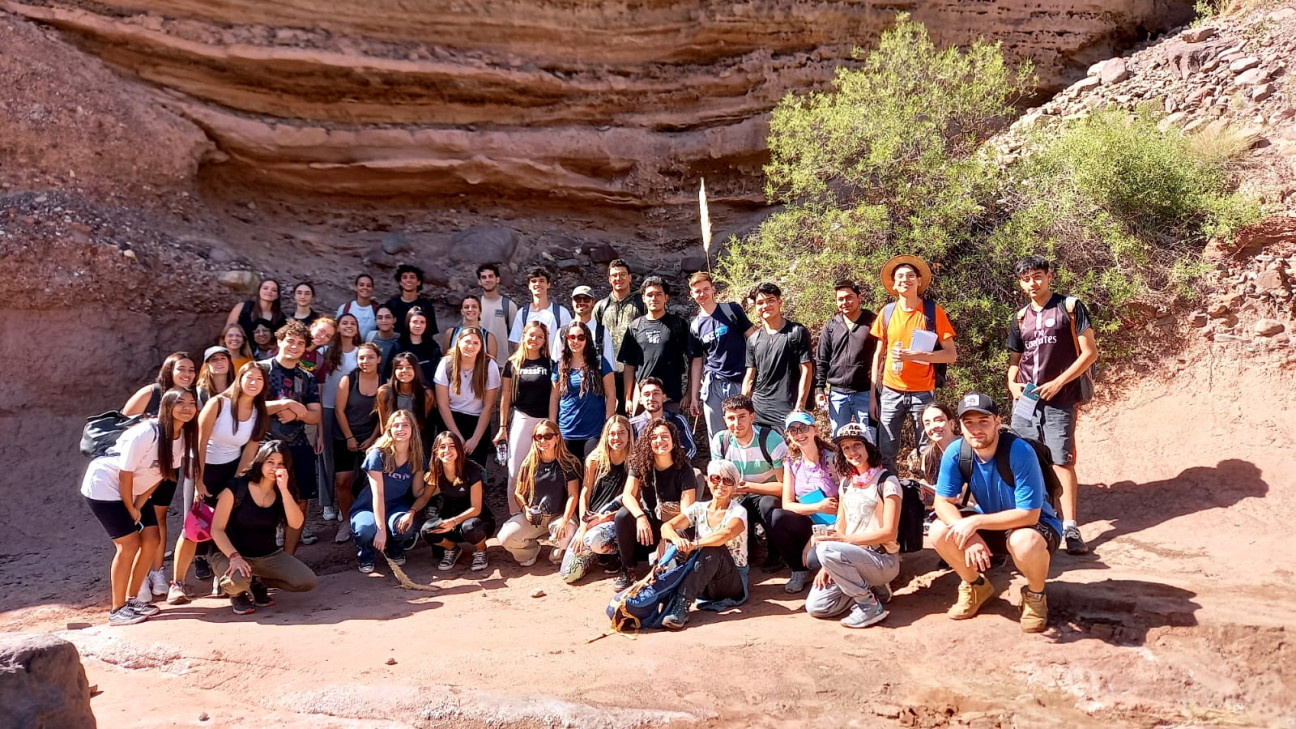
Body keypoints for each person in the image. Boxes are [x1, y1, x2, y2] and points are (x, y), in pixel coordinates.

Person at [931, 393, 1062, 633]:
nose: (976, 429)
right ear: (959, 425)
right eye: (968, 423)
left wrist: (975, 523)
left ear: (997, 422)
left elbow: (1029, 515)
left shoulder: (1019, 451)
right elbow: (942, 502)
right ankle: (975, 585)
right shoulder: (956, 452)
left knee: (1023, 541)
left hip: (1035, 525)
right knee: (940, 530)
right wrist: (968, 535)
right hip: (993, 522)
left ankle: (1035, 595)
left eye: (983, 421)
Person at [1006, 255, 1099, 555]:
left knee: (1062, 459)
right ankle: (1034, 519)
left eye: (1037, 276)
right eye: (1026, 278)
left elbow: (1090, 353)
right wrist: (1012, 384)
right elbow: (1014, 362)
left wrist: (1060, 382)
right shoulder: (1020, 317)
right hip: (1027, 399)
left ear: (1049, 276)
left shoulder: (1069, 307)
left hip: (1061, 397)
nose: (1032, 282)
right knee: (1023, 457)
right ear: (1020, 283)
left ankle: (1070, 526)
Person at [81, 388, 198, 625]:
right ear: (167, 406)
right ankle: (117, 609)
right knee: (129, 544)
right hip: (105, 485)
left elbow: (160, 474)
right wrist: (131, 508)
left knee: (152, 539)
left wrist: (140, 503)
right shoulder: (148, 431)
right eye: (180, 402)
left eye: (192, 403)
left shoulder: (183, 437)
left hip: (135, 491)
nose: (187, 407)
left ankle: (133, 599)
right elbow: (125, 473)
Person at [168, 362, 268, 604]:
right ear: (240, 378)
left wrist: (236, 483)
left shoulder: (259, 411)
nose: (254, 383)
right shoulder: (218, 403)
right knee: (193, 527)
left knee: (226, 524)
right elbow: (199, 443)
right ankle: (177, 584)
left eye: (259, 379)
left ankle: (221, 578)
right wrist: (199, 481)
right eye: (249, 377)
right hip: (203, 468)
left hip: (231, 472)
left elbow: (250, 451)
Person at [804, 423, 902, 629]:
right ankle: (873, 590)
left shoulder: (887, 481)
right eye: (846, 448)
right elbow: (841, 526)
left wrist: (841, 544)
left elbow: (889, 532)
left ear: (869, 447)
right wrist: (827, 564)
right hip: (851, 557)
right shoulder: (846, 484)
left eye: (857, 445)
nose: (852, 452)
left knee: (827, 548)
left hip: (881, 558)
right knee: (817, 606)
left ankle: (869, 606)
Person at [869, 255, 958, 474]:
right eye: (900, 276)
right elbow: (878, 355)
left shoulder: (932, 312)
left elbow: (950, 355)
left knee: (928, 448)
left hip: (922, 393)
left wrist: (916, 355)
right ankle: (890, 492)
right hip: (890, 391)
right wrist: (873, 395)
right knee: (886, 449)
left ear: (919, 281)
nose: (905, 280)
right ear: (894, 284)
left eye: (910, 276)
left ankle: (931, 494)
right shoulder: (887, 313)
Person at [208, 441, 318, 614]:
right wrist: (234, 557)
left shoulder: (284, 491)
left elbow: (296, 524)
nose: (275, 468)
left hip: (267, 555)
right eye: (270, 462)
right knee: (237, 583)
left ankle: (257, 581)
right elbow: (216, 529)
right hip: (230, 554)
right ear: (260, 462)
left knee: (306, 581)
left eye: (280, 464)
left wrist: (284, 490)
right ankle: (237, 593)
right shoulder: (236, 487)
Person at [121, 352, 197, 600]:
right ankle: (139, 575)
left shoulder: (190, 399)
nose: (186, 374)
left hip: (169, 466)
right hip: (141, 466)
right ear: (169, 370)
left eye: (191, 370)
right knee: (139, 516)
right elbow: (123, 422)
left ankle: (156, 571)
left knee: (160, 516)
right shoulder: (152, 392)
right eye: (181, 369)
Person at [656, 458, 750, 630]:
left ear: (734, 487)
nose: (720, 484)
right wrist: (678, 540)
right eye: (715, 478)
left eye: (727, 480)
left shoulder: (738, 511)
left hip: (730, 581)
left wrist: (694, 545)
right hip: (702, 575)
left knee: (712, 548)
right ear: (708, 481)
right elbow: (666, 527)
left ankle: (681, 605)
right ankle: (667, 595)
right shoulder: (699, 508)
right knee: (677, 538)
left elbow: (725, 534)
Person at [612, 418, 700, 590]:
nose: (660, 441)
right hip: (650, 524)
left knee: (667, 573)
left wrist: (666, 533)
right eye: (654, 437)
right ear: (648, 442)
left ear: (673, 440)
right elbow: (628, 496)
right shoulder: (640, 464)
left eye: (664, 436)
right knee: (623, 516)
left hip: (675, 525)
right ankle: (628, 569)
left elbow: (686, 513)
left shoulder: (685, 470)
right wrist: (640, 517)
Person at [262, 320, 322, 554]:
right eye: (290, 341)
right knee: (264, 501)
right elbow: (247, 406)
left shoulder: (306, 377)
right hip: (265, 447)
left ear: (306, 348)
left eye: (300, 343)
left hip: (298, 446)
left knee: (301, 501)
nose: (294, 346)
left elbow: (315, 416)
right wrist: (282, 405)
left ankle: (289, 556)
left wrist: (299, 412)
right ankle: (264, 556)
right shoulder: (261, 370)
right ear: (279, 341)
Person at [709, 394, 788, 572]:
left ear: (752, 417)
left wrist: (750, 487)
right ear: (724, 420)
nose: (737, 424)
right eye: (731, 418)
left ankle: (776, 552)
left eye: (742, 417)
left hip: (767, 493)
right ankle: (748, 547)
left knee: (769, 505)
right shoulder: (721, 441)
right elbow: (716, 482)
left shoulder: (771, 439)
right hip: (736, 495)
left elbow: (785, 487)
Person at [351, 410, 432, 573]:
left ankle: (395, 548)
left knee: (405, 527)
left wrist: (436, 483)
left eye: (405, 425)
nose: (400, 429)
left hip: (397, 506)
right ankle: (366, 555)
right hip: (369, 506)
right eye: (396, 425)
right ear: (389, 430)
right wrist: (380, 530)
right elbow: (378, 495)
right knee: (366, 529)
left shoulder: (417, 456)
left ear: (413, 429)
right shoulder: (378, 454)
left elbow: (418, 492)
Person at [768, 411, 839, 594]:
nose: (799, 434)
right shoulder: (791, 462)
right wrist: (817, 507)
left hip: (837, 522)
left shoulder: (833, 459)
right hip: (810, 520)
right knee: (777, 517)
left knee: (814, 560)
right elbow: (787, 503)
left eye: (803, 428)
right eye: (793, 430)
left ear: (814, 429)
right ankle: (798, 570)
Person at [497, 420, 582, 567]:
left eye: (548, 436)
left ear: (557, 438)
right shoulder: (529, 463)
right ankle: (530, 551)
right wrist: (525, 509)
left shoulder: (569, 462)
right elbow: (518, 492)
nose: (543, 440)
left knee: (565, 533)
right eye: (538, 437)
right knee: (505, 537)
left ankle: (559, 552)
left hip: (559, 514)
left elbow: (573, 495)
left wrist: (566, 520)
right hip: (536, 516)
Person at [559, 416, 633, 583]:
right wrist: (584, 526)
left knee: (593, 540)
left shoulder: (634, 462)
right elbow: (585, 492)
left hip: (615, 519)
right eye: (612, 433)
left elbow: (635, 499)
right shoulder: (594, 459)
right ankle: (596, 553)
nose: (617, 438)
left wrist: (606, 517)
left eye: (622, 433)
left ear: (629, 435)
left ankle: (615, 554)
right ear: (605, 436)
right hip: (591, 519)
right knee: (568, 574)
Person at [495, 321, 556, 514]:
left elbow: (555, 394)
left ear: (545, 340)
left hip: (545, 421)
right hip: (522, 418)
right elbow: (505, 397)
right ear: (523, 336)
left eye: (540, 336)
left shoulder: (550, 363)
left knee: (542, 469)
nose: (535, 340)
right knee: (516, 470)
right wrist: (502, 427)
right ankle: (515, 513)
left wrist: (553, 423)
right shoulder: (512, 363)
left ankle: (542, 513)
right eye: (531, 335)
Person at [686, 271, 753, 443]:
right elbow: (697, 362)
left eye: (706, 289)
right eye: (698, 291)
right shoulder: (695, 326)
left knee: (744, 431)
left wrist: (753, 376)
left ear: (713, 289)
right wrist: (694, 397)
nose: (702, 294)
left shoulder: (731, 310)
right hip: (713, 384)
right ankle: (720, 468)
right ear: (692, 295)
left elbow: (753, 339)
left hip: (739, 381)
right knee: (717, 437)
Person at [421, 431, 495, 572]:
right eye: (442, 447)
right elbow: (423, 497)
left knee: (471, 527)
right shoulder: (436, 472)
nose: (447, 450)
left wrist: (454, 521)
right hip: (450, 519)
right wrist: (411, 512)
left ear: (459, 450)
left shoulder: (472, 470)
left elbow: (476, 508)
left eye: (451, 446)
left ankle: (481, 550)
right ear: (436, 451)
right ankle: (453, 549)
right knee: (427, 530)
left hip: (477, 520)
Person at [743, 282, 813, 431]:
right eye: (760, 303)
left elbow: (806, 370)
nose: (765, 306)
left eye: (770, 300)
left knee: (789, 454)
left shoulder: (796, 332)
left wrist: (800, 405)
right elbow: (750, 377)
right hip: (758, 411)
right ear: (755, 307)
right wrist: (742, 409)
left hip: (787, 410)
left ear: (779, 302)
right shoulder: (753, 339)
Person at [332, 343, 383, 544]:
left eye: (370, 357)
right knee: (343, 481)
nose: (365, 361)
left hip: (372, 438)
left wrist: (372, 440)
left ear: (379, 359)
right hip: (344, 436)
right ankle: (346, 521)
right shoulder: (349, 379)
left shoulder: (385, 382)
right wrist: (349, 438)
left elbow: (384, 415)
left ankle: (368, 521)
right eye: (361, 358)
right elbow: (339, 410)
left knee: (370, 482)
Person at [619, 276, 694, 414]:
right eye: (650, 295)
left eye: (659, 294)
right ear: (643, 298)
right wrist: (628, 398)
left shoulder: (678, 324)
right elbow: (629, 365)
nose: (654, 298)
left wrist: (689, 393)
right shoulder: (635, 327)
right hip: (643, 399)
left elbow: (693, 359)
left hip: (671, 398)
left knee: (670, 435)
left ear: (666, 297)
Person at [814, 279, 878, 435]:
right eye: (840, 299)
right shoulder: (831, 326)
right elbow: (822, 359)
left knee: (870, 438)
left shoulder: (873, 322)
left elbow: (883, 355)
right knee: (839, 438)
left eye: (849, 297)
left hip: (866, 394)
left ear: (859, 297)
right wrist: (819, 388)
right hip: (838, 395)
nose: (845, 302)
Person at [434, 327, 501, 469]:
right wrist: (456, 436)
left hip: (477, 422)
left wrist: (475, 440)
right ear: (458, 342)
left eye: (476, 343)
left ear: (481, 346)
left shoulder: (490, 365)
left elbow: (489, 406)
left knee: (474, 470)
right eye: (467, 342)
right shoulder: (446, 363)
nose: (470, 346)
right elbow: (442, 404)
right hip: (451, 419)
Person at [550, 320, 616, 459]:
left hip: (593, 431)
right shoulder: (561, 365)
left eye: (580, 337)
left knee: (590, 474)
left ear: (587, 339)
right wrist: (552, 424)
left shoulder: (599, 363)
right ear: (566, 340)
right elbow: (554, 397)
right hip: (567, 430)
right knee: (570, 476)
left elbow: (611, 394)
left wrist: (608, 423)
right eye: (571, 337)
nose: (576, 341)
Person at [592, 259, 645, 414]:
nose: (618, 279)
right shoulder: (601, 306)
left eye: (622, 275)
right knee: (609, 417)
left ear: (630, 277)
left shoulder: (641, 303)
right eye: (614, 275)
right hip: (607, 372)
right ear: (609, 279)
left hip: (636, 371)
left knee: (634, 416)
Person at [510, 267, 572, 360]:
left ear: (548, 285)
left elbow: (569, 341)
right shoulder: (522, 313)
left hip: (555, 367)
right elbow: (516, 343)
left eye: (541, 281)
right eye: (534, 281)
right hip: (530, 367)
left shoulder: (561, 313)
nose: (537, 284)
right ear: (529, 286)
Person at [378, 352, 437, 448]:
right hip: (391, 440)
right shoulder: (383, 392)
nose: (404, 370)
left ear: (416, 370)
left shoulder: (427, 394)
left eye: (409, 367)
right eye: (400, 368)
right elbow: (384, 426)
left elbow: (421, 425)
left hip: (417, 441)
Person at [627, 377, 696, 459]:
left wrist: (677, 467)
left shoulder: (678, 420)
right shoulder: (632, 425)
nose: (651, 398)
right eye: (646, 394)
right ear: (640, 400)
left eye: (656, 393)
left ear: (664, 398)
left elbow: (691, 450)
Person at [908, 403, 958, 490]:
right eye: (927, 423)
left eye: (939, 420)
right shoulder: (929, 456)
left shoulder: (968, 450)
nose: (933, 426)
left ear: (951, 424)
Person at [384, 264, 440, 337]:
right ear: (400, 282)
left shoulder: (426, 305)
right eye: (404, 277)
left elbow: (430, 332)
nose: (408, 280)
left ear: (418, 282)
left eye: (412, 277)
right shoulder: (391, 305)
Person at [569, 285, 618, 368]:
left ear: (593, 302)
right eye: (577, 299)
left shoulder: (602, 331)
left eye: (586, 299)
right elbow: (557, 364)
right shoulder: (563, 332)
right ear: (572, 301)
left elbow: (609, 366)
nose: (582, 302)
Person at [476, 263, 517, 358]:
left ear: (497, 279)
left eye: (490, 276)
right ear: (479, 281)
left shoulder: (508, 305)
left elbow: (516, 338)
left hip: (501, 364)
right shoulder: (473, 306)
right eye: (484, 277)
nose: (487, 280)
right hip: (477, 362)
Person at [400, 307, 445, 385]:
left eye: (422, 322)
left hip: (430, 393)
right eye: (415, 322)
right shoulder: (399, 346)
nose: (418, 325)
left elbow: (441, 373)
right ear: (408, 323)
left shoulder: (433, 347)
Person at [442, 296, 496, 362]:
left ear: (480, 311)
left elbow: (492, 365)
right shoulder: (451, 333)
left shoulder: (489, 337)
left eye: (474, 307)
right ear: (462, 311)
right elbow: (445, 360)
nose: (470, 309)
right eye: (466, 307)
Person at [337, 274, 379, 339]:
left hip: (369, 348)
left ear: (372, 289)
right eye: (361, 285)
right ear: (356, 287)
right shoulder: (344, 308)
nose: (365, 287)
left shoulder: (377, 310)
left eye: (368, 285)